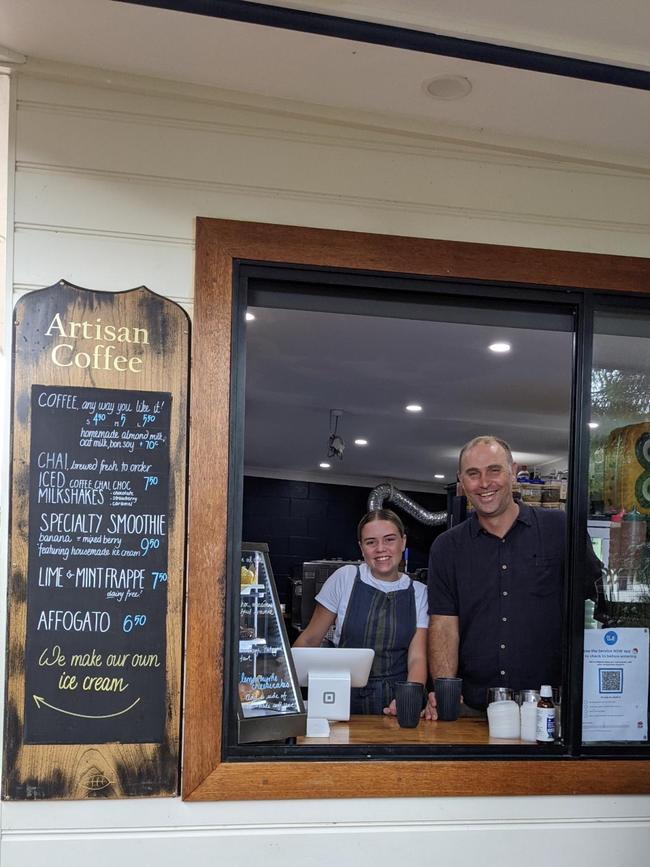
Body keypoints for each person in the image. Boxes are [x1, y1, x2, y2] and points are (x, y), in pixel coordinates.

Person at [425, 435, 602, 719]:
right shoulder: (447, 547)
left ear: (513, 470)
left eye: (494, 470)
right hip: (473, 710)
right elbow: (444, 626)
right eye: (473, 474)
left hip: (551, 709)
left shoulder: (561, 531)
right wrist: (445, 693)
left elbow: (598, 602)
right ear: (461, 481)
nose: (484, 483)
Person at [293, 509, 428, 715]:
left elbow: (417, 657)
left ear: (403, 542)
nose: (380, 549)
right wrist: (282, 684)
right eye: (371, 542)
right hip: (341, 700)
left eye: (389, 539)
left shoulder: (419, 592)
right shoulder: (345, 578)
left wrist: (409, 697)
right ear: (361, 548)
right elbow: (310, 639)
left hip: (395, 704)